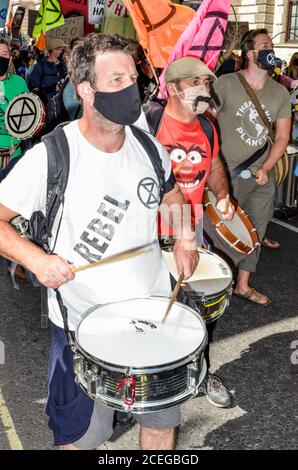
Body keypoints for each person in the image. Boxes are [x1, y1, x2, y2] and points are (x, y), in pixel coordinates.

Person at [0, 33, 199, 450]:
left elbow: (171, 195)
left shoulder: (148, 146)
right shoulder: (51, 155)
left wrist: (184, 238)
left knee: (161, 423)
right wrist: (36, 260)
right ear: (86, 91)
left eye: (133, 76)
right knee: (80, 440)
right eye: (117, 79)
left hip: (154, 316)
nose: (133, 88)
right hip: (82, 326)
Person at [146, 56, 234, 409]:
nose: (204, 88)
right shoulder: (148, 123)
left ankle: (198, 373)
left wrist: (223, 193)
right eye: (195, 82)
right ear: (172, 89)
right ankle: (142, 379)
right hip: (147, 236)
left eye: (207, 82)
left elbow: (212, 163)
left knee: (200, 310)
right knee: (150, 312)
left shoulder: (208, 126)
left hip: (190, 231)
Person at [212, 29, 291, 305]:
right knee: (219, 230)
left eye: (271, 44)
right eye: (264, 45)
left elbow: (282, 137)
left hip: (261, 176)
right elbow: (207, 122)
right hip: (226, 175)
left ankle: (242, 285)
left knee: (255, 230)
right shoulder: (225, 83)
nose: (271, 49)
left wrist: (267, 168)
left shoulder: (280, 92)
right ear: (250, 53)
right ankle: (212, 282)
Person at [0, 38, 29, 181]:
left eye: (4, 54)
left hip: (14, 156)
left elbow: (28, 117)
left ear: (10, 59)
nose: (1, 57)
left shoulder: (19, 83)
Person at [26, 37, 67, 104]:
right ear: (54, 50)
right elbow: (34, 90)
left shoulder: (64, 66)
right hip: (46, 105)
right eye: (61, 50)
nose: (62, 52)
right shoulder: (39, 66)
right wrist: (53, 88)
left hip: (62, 105)